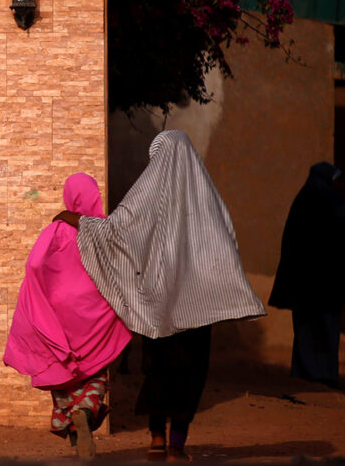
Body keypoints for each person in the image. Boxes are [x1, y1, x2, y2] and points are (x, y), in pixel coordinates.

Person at [54, 130, 266, 462]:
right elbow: (227, 245)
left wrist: (80, 221)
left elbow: (120, 229)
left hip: (158, 304)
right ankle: (177, 446)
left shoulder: (148, 192)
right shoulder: (209, 197)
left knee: (159, 371)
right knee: (191, 374)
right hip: (200, 307)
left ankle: (156, 440)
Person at [5, 173, 132, 460]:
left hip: (61, 313)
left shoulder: (56, 230)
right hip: (95, 311)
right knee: (95, 370)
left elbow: (35, 263)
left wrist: (44, 292)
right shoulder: (102, 231)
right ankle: (85, 410)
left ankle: (78, 443)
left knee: (65, 376)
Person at [269, 162, 345, 388]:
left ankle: (311, 374)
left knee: (313, 328)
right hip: (320, 282)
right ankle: (318, 375)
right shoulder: (328, 203)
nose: (338, 184)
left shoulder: (306, 200)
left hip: (310, 283)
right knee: (319, 329)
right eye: (335, 180)